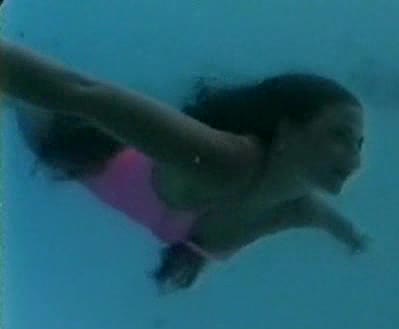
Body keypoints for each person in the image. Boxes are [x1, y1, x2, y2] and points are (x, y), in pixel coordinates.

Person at [0, 39, 368, 293]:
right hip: (73, 142)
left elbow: (322, 217)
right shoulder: (228, 162)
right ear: (287, 131)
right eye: (339, 135)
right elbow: (83, 94)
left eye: (358, 143)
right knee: (21, 97)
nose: (354, 157)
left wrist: (356, 241)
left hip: (99, 157)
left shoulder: (294, 202)